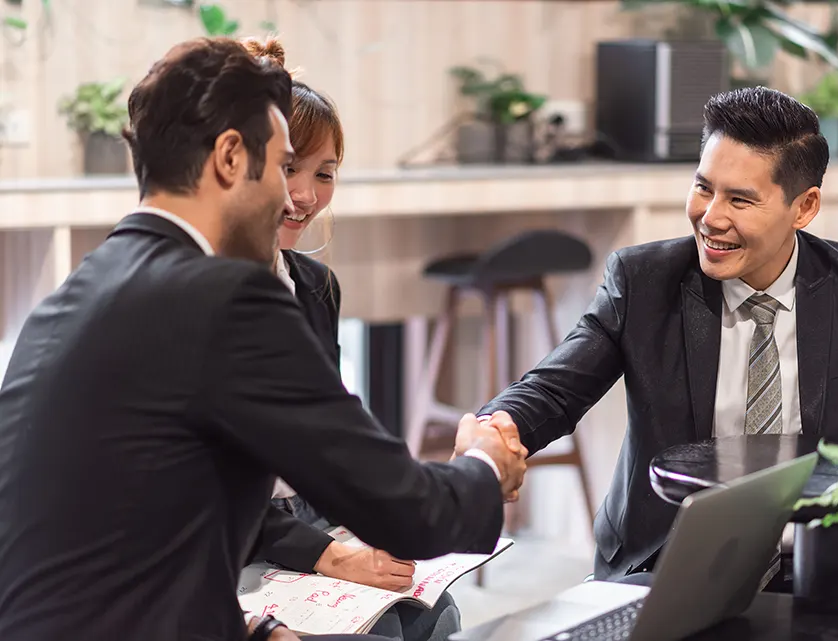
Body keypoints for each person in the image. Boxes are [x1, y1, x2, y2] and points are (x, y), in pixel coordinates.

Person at [0, 37, 526, 641]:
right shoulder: (224, 296)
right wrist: (486, 462)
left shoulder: (72, 297)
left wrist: (253, 630)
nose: (292, 197)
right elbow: (411, 514)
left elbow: (122, 541)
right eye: (281, 167)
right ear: (230, 157)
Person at [459, 86, 838, 585]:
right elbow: (554, 390)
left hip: (813, 564)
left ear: (804, 207)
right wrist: (494, 430)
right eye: (704, 188)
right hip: (669, 561)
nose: (711, 217)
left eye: (740, 199)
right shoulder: (644, 280)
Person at [241, 38, 461, 641]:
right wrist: (332, 557)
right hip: (238, 532)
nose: (305, 196)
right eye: (290, 168)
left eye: (325, 174)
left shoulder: (314, 287)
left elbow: (328, 444)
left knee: (436, 616)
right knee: (378, 631)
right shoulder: (206, 299)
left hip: (304, 512)